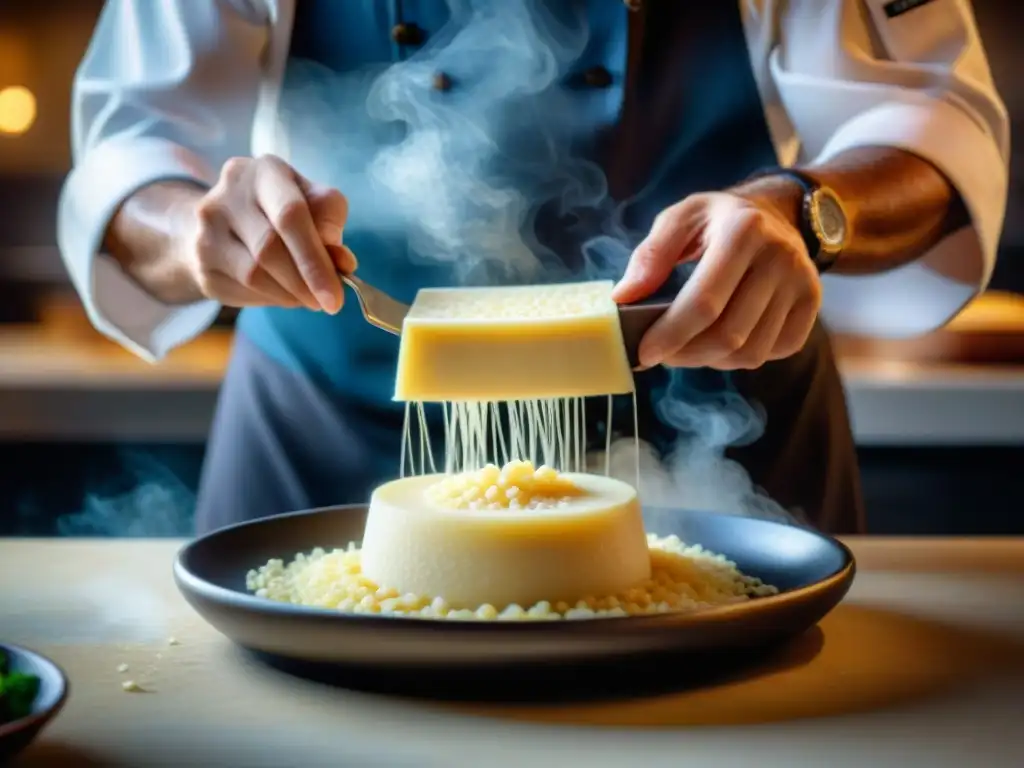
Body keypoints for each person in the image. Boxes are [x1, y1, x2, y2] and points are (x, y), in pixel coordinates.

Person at [59, 0, 1008, 535]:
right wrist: (193, 232)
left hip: (722, 433)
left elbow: (937, 118)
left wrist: (803, 213)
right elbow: (133, 143)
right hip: (330, 430)